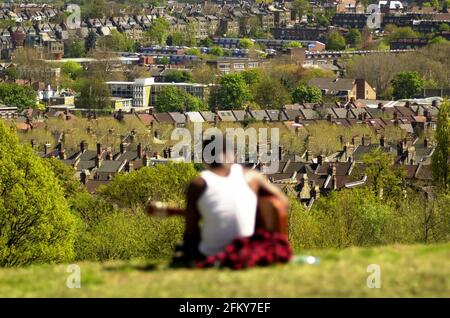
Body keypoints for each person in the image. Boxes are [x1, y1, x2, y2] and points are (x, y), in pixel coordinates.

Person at [174, 136, 291, 269]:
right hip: (248, 248)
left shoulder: (198, 184)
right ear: (232, 154)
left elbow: (191, 231)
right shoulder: (251, 177)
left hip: (210, 253)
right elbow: (282, 200)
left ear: (205, 158)